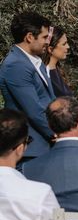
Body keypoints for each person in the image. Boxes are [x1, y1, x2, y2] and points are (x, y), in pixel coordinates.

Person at [0, 12, 55, 162]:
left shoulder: (35, 62)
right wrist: (59, 134)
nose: (47, 42)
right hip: (30, 149)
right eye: (44, 37)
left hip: (43, 147)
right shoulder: (16, 65)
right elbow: (34, 110)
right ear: (30, 37)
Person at [43, 25, 73, 97]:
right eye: (64, 44)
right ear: (50, 49)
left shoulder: (58, 69)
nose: (68, 46)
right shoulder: (45, 75)